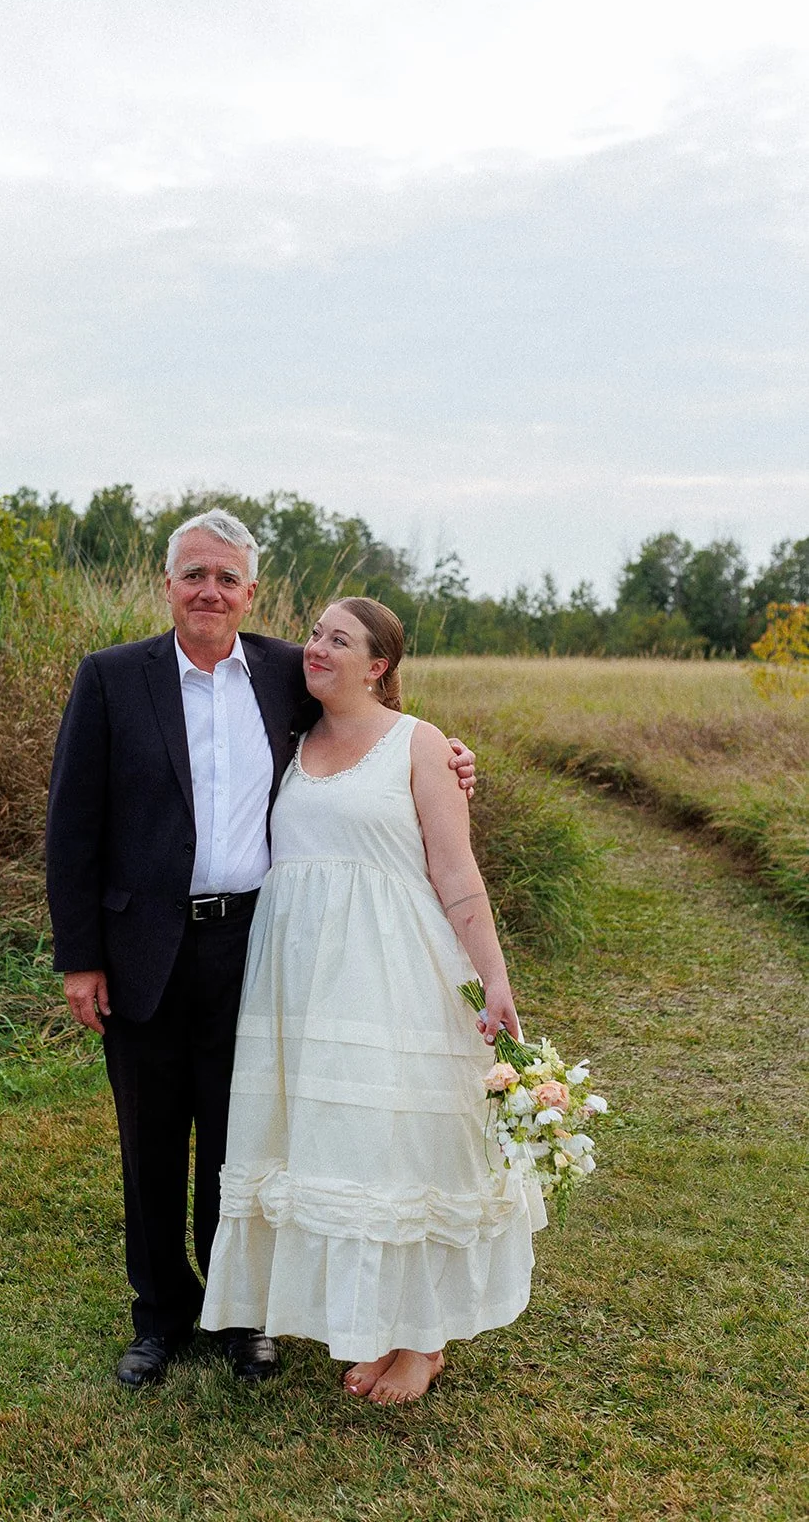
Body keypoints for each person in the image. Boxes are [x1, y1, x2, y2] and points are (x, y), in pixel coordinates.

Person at [45, 512, 478, 1388]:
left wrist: (452, 757)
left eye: (227, 579)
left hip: (261, 946)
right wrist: (79, 957)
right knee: (152, 1140)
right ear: (166, 584)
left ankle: (246, 1315)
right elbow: (71, 828)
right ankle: (159, 1315)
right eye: (193, 574)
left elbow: (379, 726)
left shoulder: (288, 669)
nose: (210, 591)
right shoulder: (111, 679)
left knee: (249, 1134)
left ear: (251, 593)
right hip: (143, 948)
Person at [200, 596, 546, 1405]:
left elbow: (456, 875)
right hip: (299, 979)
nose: (315, 648)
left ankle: (419, 1344)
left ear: (379, 665)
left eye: (337, 640)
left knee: (400, 1146)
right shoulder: (291, 735)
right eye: (314, 633)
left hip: (394, 966)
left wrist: (492, 977)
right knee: (336, 1146)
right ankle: (378, 1323)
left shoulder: (420, 744)